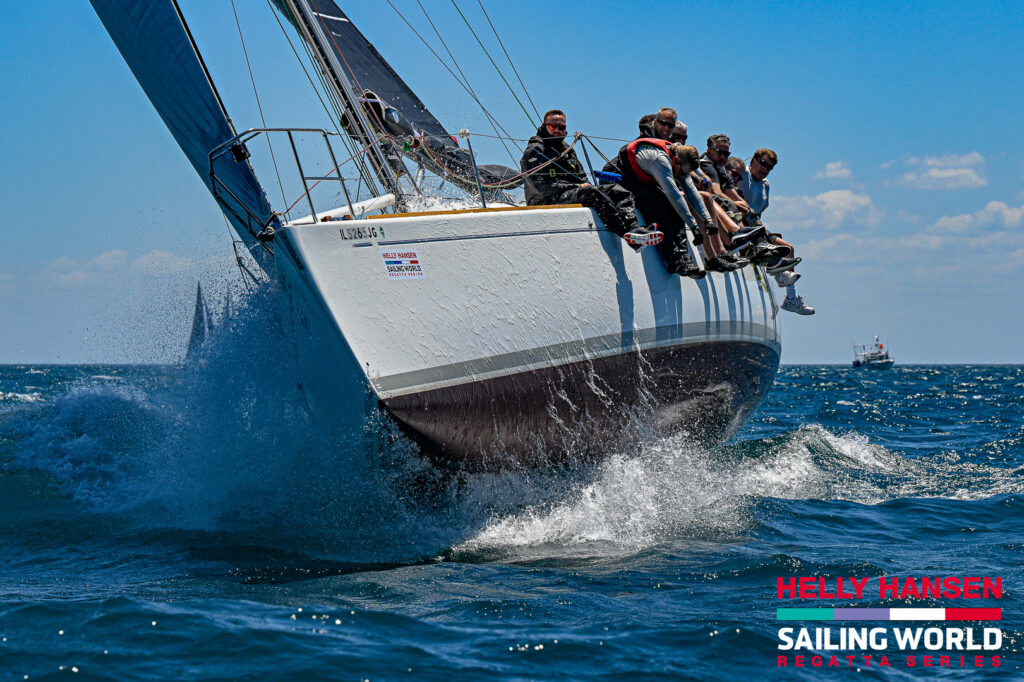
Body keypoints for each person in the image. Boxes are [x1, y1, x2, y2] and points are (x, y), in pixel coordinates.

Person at [522, 109, 663, 248]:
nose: (558, 130)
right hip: (543, 199)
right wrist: (577, 187)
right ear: (544, 126)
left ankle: (634, 226)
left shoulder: (566, 149)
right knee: (592, 194)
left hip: (569, 193)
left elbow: (582, 176)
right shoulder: (535, 150)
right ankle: (627, 234)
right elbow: (541, 187)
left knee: (616, 189)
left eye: (562, 127)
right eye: (553, 126)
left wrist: (584, 185)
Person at [616, 138, 748, 276]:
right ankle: (674, 261)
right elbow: (674, 196)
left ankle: (693, 258)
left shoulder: (682, 165)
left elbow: (693, 195)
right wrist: (694, 227)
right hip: (623, 176)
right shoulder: (661, 161)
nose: (684, 176)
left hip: (643, 181)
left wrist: (708, 221)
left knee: (688, 201)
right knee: (663, 207)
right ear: (676, 161)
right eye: (683, 173)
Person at [737, 149, 815, 315]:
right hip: (740, 222)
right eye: (763, 164)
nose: (765, 170)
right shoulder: (744, 174)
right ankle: (779, 272)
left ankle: (791, 299)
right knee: (770, 249)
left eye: (769, 168)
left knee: (789, 249)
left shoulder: (765, 185)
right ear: (754, 161)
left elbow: (760, 210)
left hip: (758, 225)